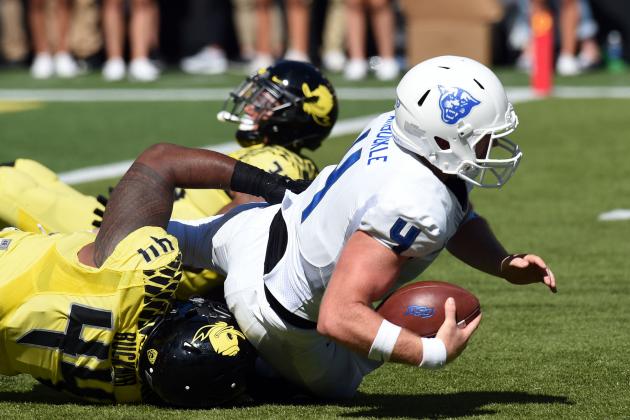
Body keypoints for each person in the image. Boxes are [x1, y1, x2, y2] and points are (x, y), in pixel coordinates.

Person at [160, 55, 556, 399]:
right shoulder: (417, 205)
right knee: (344, 379)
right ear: (442, 138)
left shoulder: (397, 127)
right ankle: (253, 360)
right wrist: (432, 353)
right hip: (271, 310)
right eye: (484, 138)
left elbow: (459, 215)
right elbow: (338, 316)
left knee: (148, 239)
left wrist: (503, 263)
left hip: (259, 228)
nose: (492, 147)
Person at [0, 60, 338, 297]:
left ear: (295, 115)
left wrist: (172, 239)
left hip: (143, 243)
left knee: (7, 184)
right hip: (148, 229)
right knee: (26, 168)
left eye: (265, 100)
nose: (250, 107)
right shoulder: (279, 157)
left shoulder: (279, 160)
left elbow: (250, 218)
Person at [0, 144, 306, 405]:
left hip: (10, 267)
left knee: (12, 177)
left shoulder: (141, 274)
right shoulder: (134, 390)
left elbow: (160, 159)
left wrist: (273, 186)